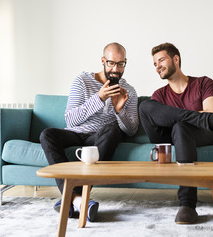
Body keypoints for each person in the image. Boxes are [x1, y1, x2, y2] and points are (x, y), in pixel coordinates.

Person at [40, 42, 139, 222]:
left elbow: (131, 131)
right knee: (47, 134)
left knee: (113, 130)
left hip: (99, 138)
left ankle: (72, 199)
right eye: (111, 63)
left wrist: (119, 111)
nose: (116, 69)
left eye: (120, 64)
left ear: (125, 63)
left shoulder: (129, 91)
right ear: (103, 61)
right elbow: (70, 119)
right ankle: (78, 199)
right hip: (76, 133)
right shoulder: (82, 81)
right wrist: (99, 98)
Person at [139, 43, 213, 224]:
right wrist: (204, 117)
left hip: (205, 134)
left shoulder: (203, 83)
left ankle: (187, 205)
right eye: (154, 64)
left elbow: (212, 111)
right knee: (144, 107)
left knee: (181, 127)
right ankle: (200, 121)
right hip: (168, 138)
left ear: (176, 59)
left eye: (161, 60)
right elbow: (212, 117)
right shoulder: (159, 95)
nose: (157, 66)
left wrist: (188, 120)